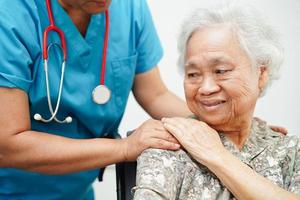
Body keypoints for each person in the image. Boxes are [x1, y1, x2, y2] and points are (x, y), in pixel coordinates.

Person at [0, 0, 192, 199]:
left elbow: (156, 95)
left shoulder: (129, 8)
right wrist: (125, 148)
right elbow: (8, 145)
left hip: (78, 192)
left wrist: (211, 126)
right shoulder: (11, 13)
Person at [133, 3, 300, 200]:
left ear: (261, 74)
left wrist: (218, 156)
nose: (206, 88)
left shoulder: (289, 150)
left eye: (221, 71)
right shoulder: (167, 146)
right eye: (193, 74)